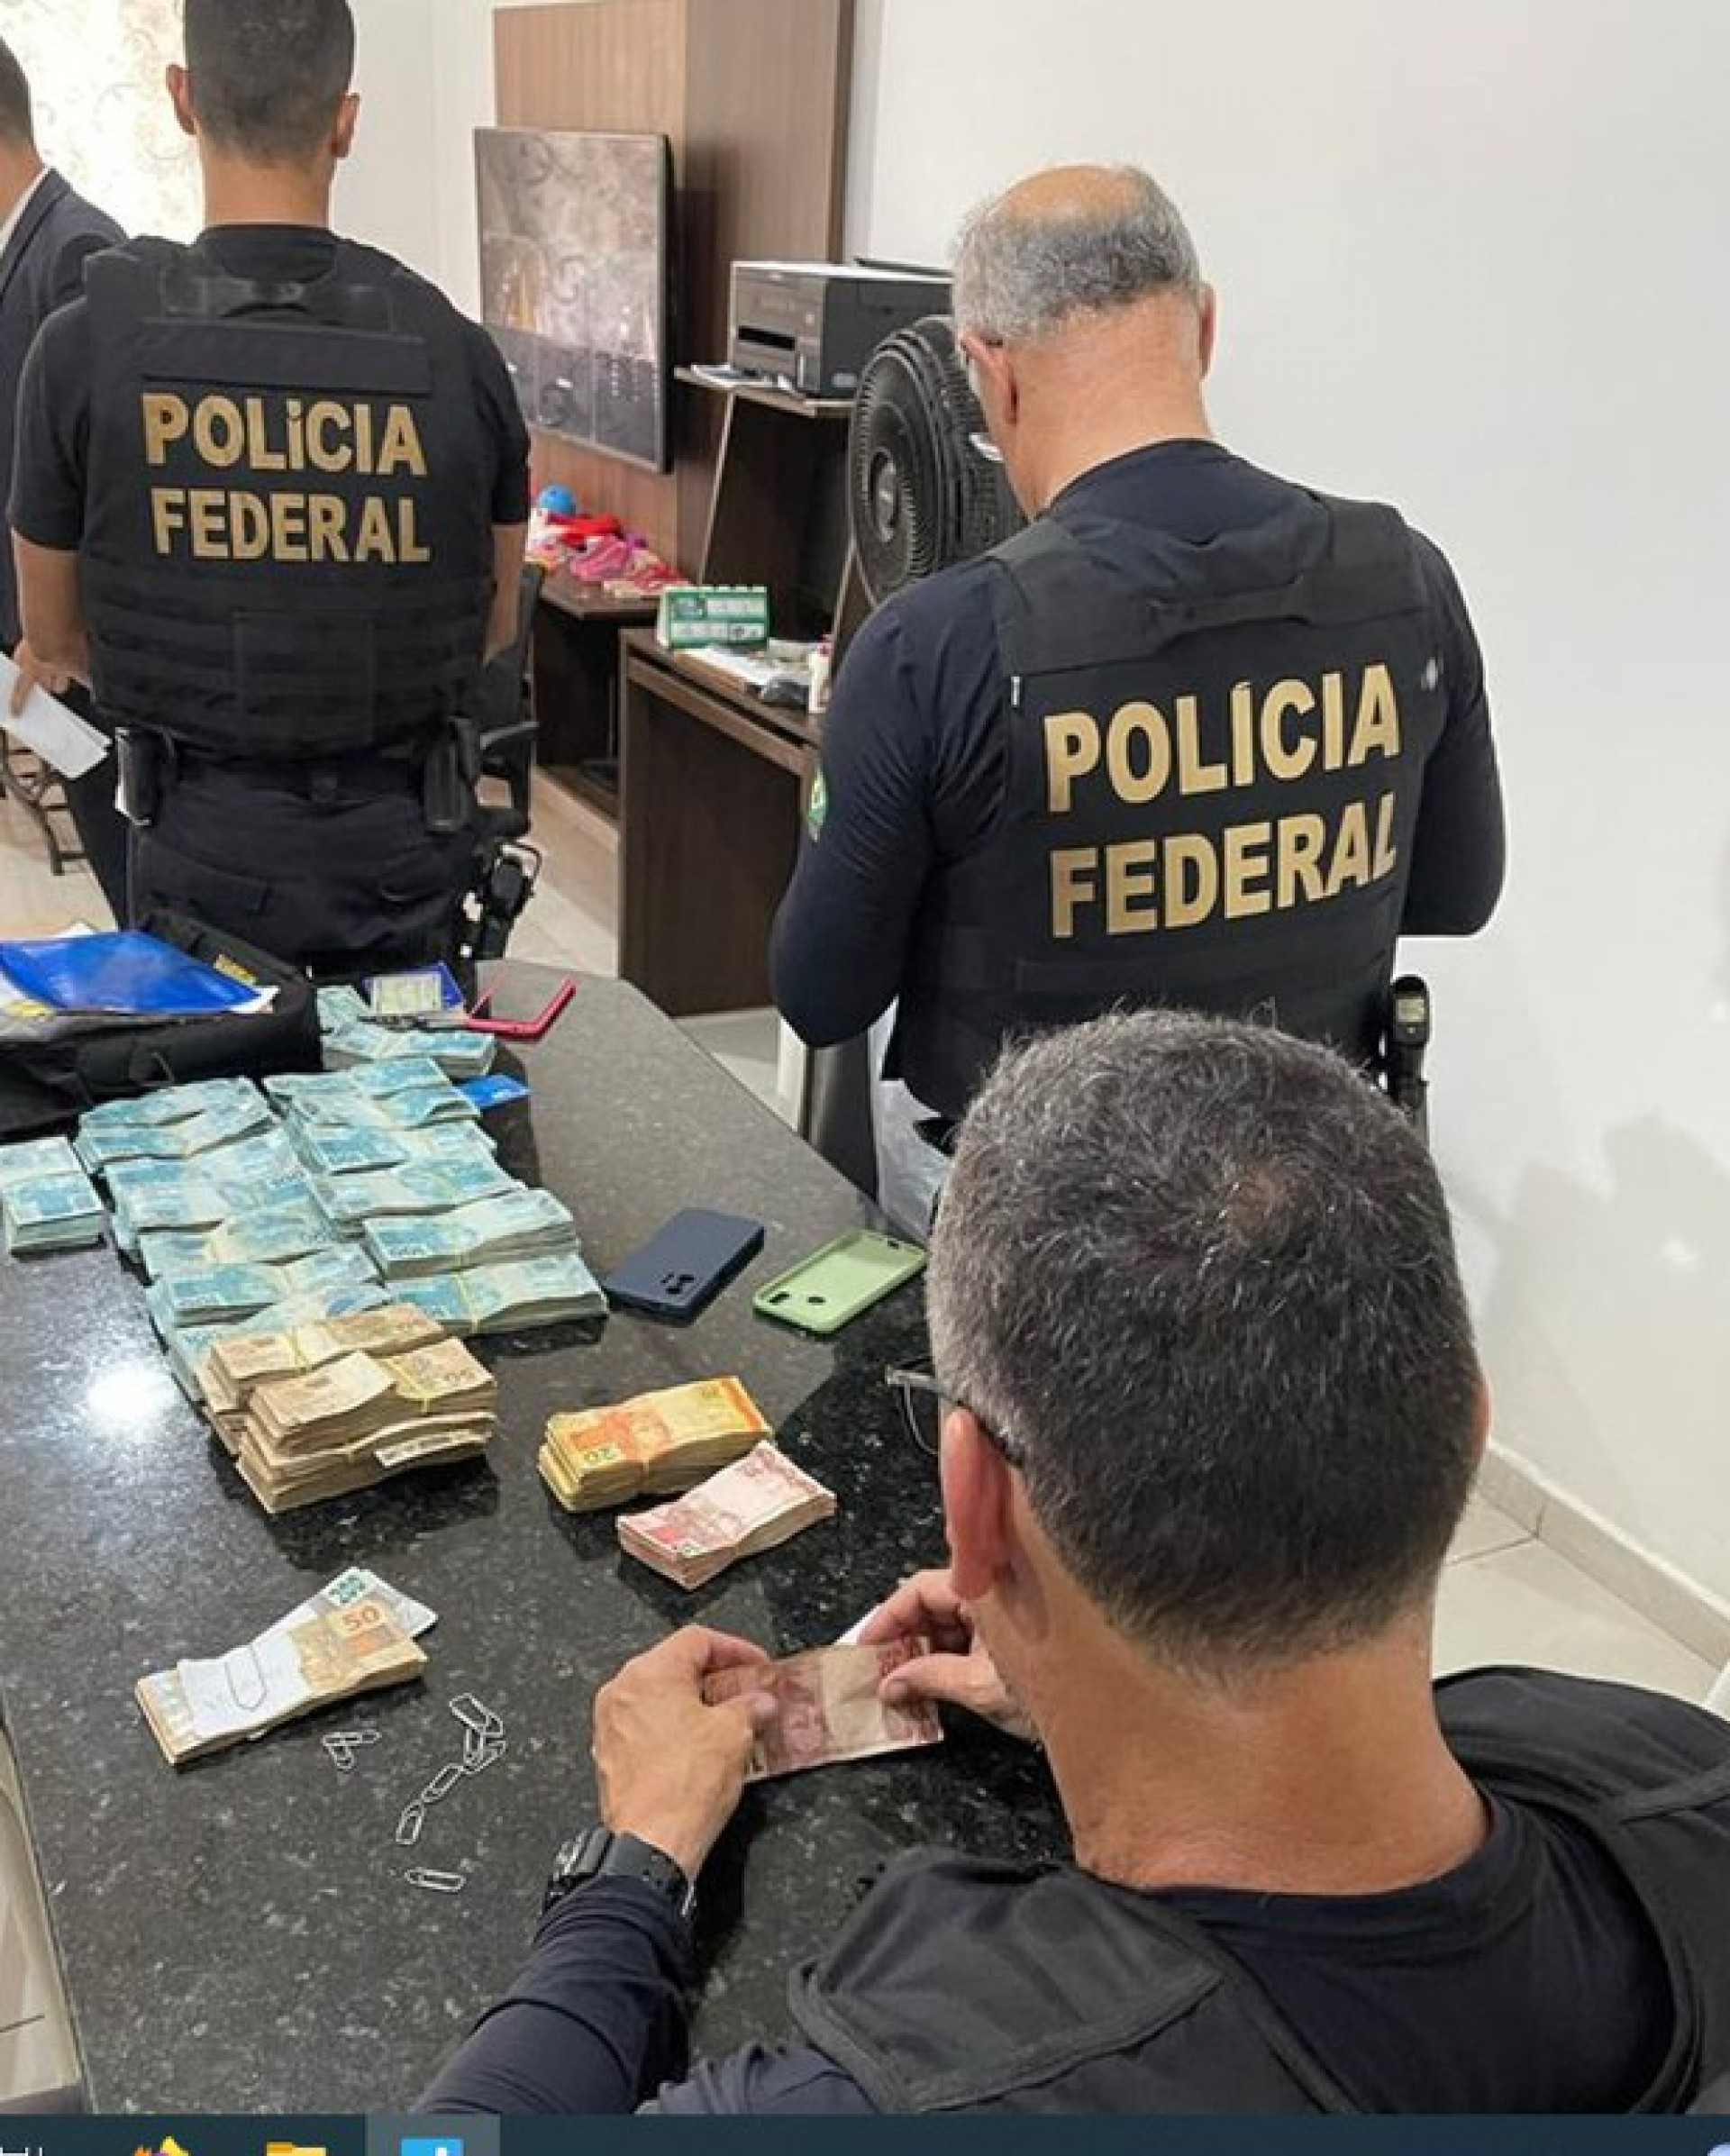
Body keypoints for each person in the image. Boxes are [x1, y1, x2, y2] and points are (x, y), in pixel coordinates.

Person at [418, 1012, 1730, 2115]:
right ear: (1465, 1434)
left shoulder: (920, 2090)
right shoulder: (1663, 1758)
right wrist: (1085, 1692)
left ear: (973, 1498)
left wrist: (636, 1862)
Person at [770, 165, 1506, 1218]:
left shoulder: (934, 644)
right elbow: (1457, 894)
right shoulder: (1406, 580)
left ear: (992, 372)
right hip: (1307, 1212)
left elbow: (821, 991)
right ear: (1204, 327)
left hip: (1033, 1245)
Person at [8, 0, 530, 974]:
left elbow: (56, 636)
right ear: (345, 120)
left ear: (183, 100)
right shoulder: (457, 353)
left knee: (200, 1074)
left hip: (197, 857)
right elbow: (494, 626)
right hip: (404, 861)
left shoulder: (79, 351)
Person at [0, 38, 129, 919]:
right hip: (45, 664)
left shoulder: (75, 247)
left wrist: (50, 629)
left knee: (142, 901)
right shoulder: (26, 246)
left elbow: (107, 478)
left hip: (82, 667)